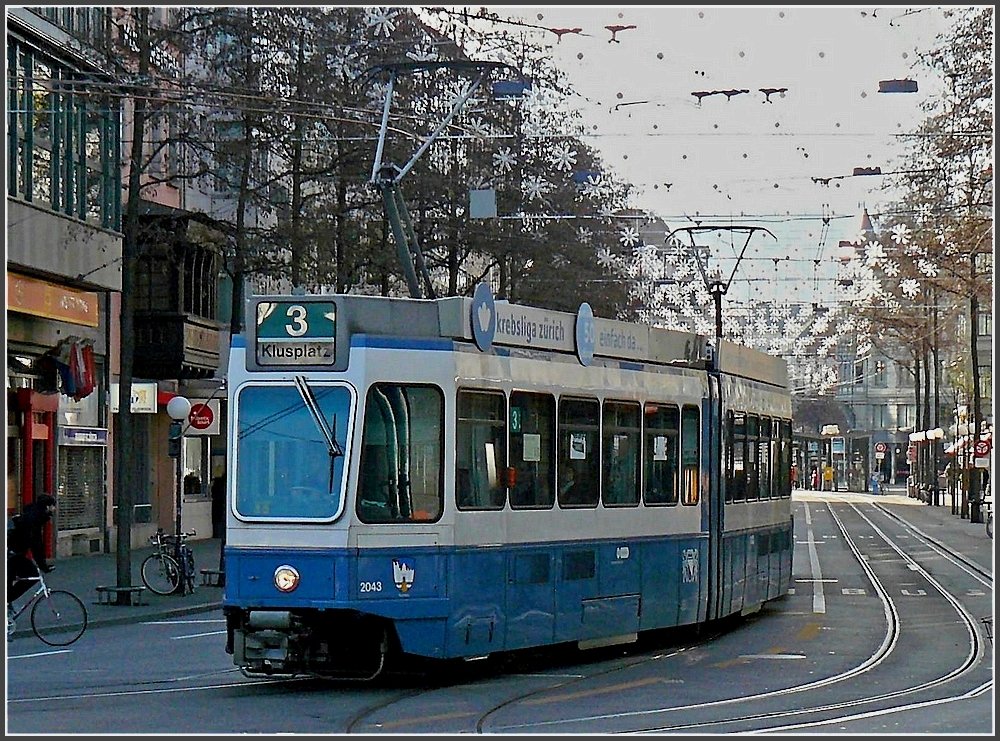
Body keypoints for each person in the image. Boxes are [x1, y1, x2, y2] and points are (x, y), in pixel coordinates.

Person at [7, 494, 57, 609]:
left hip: (13, 552)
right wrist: (43, 565)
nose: (54, 509)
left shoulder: (33, 514)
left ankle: (7, 605)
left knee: (13, 578)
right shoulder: (35, 519)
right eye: (53, 506)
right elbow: (36, 544)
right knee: (32, 574)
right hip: (12, 553)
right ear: (47, 506)